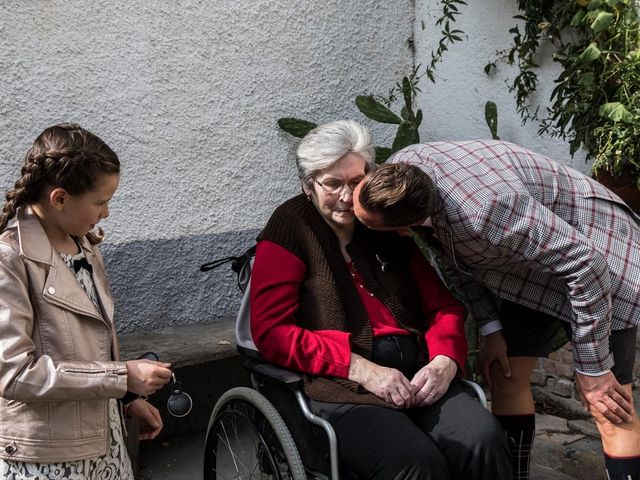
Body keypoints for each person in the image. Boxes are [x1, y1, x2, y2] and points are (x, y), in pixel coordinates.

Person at [352, 139, 640, 480]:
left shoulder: (485, 213)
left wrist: (592, 370)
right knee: (505, 374)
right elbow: (456, 262)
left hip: (602, 257)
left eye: (368, 224)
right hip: (531, 274)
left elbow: (585, 264)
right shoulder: (403, 175)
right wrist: (491, 329)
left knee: (608, 402)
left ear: (402, 227)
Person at [250, 121, 512, 479]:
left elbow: (443, 307)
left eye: (356, 182)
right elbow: (271, 333)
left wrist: (444, 361)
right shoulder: (290, 228)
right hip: (344, 385)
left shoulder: (382, 223)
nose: (346, 196)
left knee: (483, 439)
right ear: (307, 185)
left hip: (416, 373)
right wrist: (361, 368)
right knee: (414, 462)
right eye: (332, 183)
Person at [0, 124, 173, 479]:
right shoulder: (9, 259)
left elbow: (86, 351)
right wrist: (122, 376)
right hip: (45, 459)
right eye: (100, 201)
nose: (106, 212)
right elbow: (14, 374)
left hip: (101, 446)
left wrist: (124, 400)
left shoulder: (84, 245)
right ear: (59, 198)